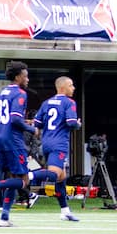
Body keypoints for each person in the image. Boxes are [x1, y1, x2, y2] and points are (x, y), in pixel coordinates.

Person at [0, 60, 37, 227]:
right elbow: (15, 118)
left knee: (13, 178)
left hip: (0, 139)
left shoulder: (2, 92)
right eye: (25, 76)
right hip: (13, 140)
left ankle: (4, 217)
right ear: (18, 76)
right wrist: (31, 128)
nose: (27, 79)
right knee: (24, 180)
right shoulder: (20, 94)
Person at [32, 76, 82, 221]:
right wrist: (78, 124)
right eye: (71, 85)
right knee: (54, 174)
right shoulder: (69, 102)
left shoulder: (46, 103)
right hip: (59, 143)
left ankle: (65, 211)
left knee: (61, 178)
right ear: (62, 87)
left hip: (46, 142)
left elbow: (37, 123)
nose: (73, 88)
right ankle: (28, 176)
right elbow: (71, 122)